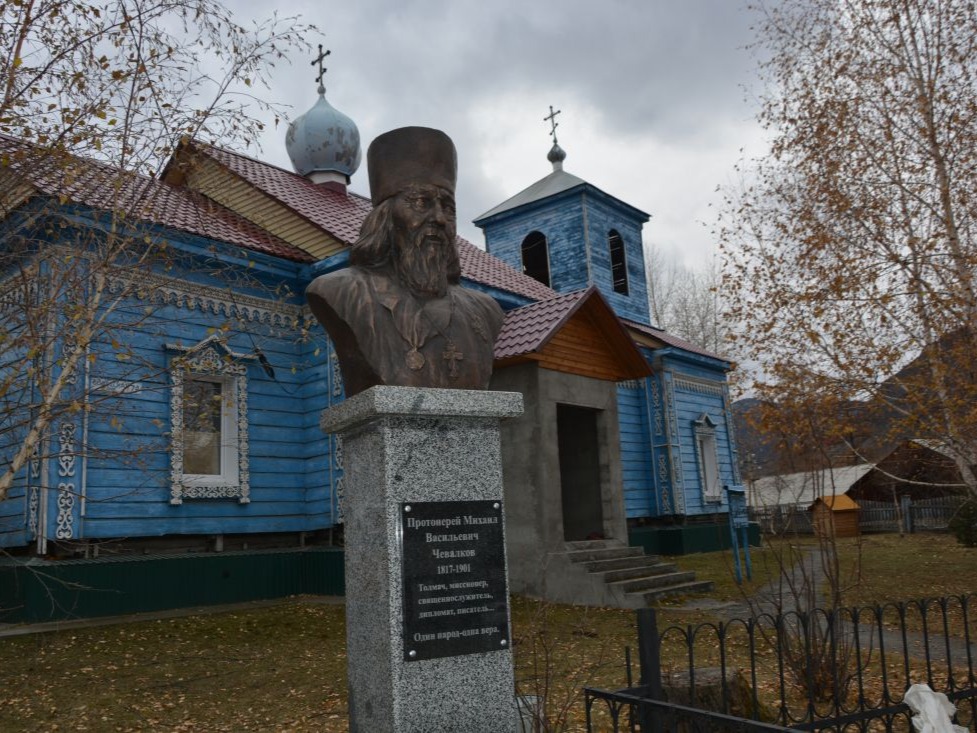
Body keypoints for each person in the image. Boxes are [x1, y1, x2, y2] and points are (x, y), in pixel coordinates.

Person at [306, 127, 505, 396]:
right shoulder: (342, 292)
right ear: (385, 217)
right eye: (421, 202)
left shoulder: (485, 310)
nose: (439, 218)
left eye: (448, 207)